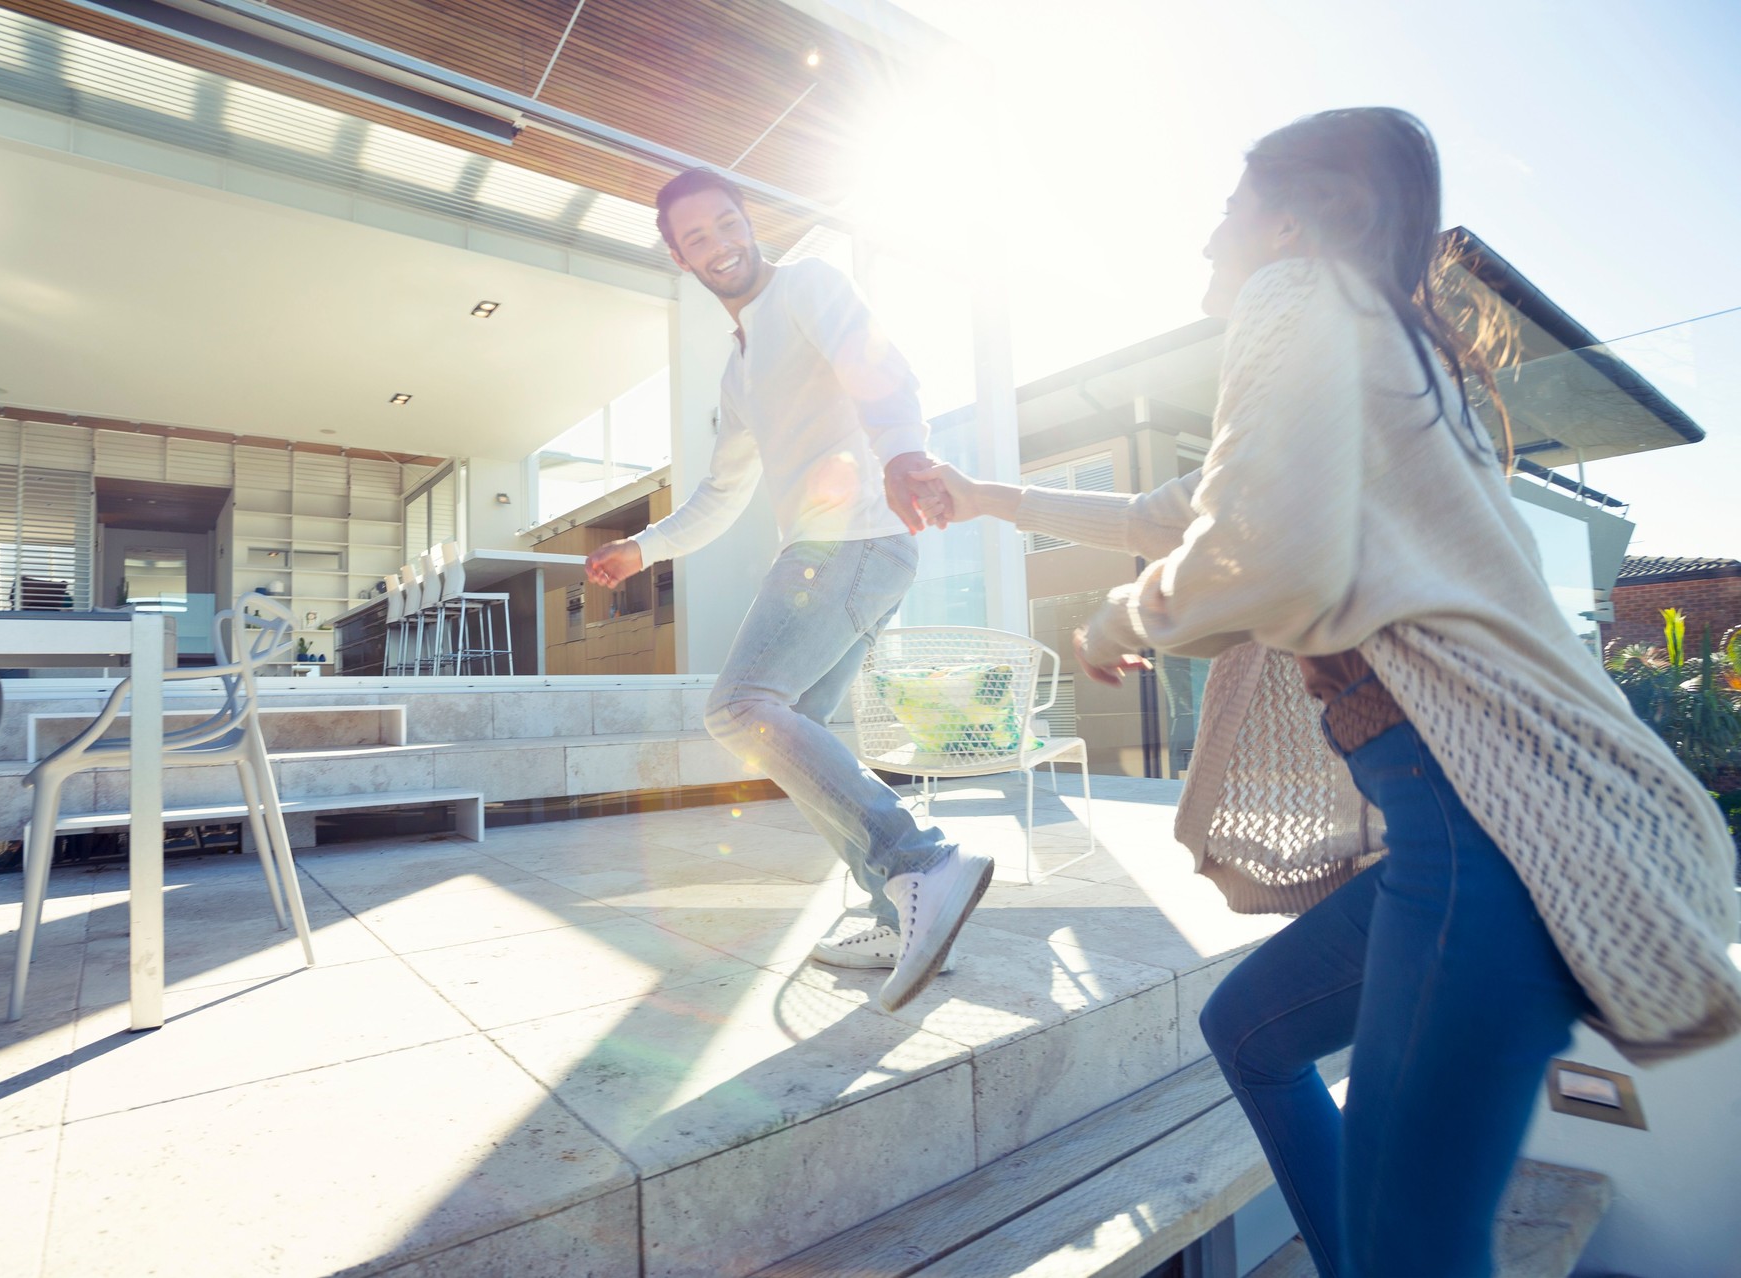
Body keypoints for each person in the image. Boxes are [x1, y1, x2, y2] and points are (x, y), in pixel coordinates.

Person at [911, 107, 1740, 1277]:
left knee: (1422, 1250)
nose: (1210, 237)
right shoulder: (1370, 345)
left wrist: (1117, 619)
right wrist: (987, 497)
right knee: (1249, 1035)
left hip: (1484, 840)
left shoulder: (1295, 295)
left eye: (1229, 206)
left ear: (1294, 221)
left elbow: (1260, 553)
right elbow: (1182, 514)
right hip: (1460, 838)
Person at [585, 168, 993, 1012]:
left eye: (727, 224)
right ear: (679, 255)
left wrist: (907, 452)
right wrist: (642, 549)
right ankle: (901, 911)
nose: (720, 244)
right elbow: (721, 495)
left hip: (852, 541)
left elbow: (882, 373)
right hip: (849, 552)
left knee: (740, 708)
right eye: (697, 237)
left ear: (748, 222)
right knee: (785, 728)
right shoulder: (740, 376)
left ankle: (919, 866)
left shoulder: (809, 284)